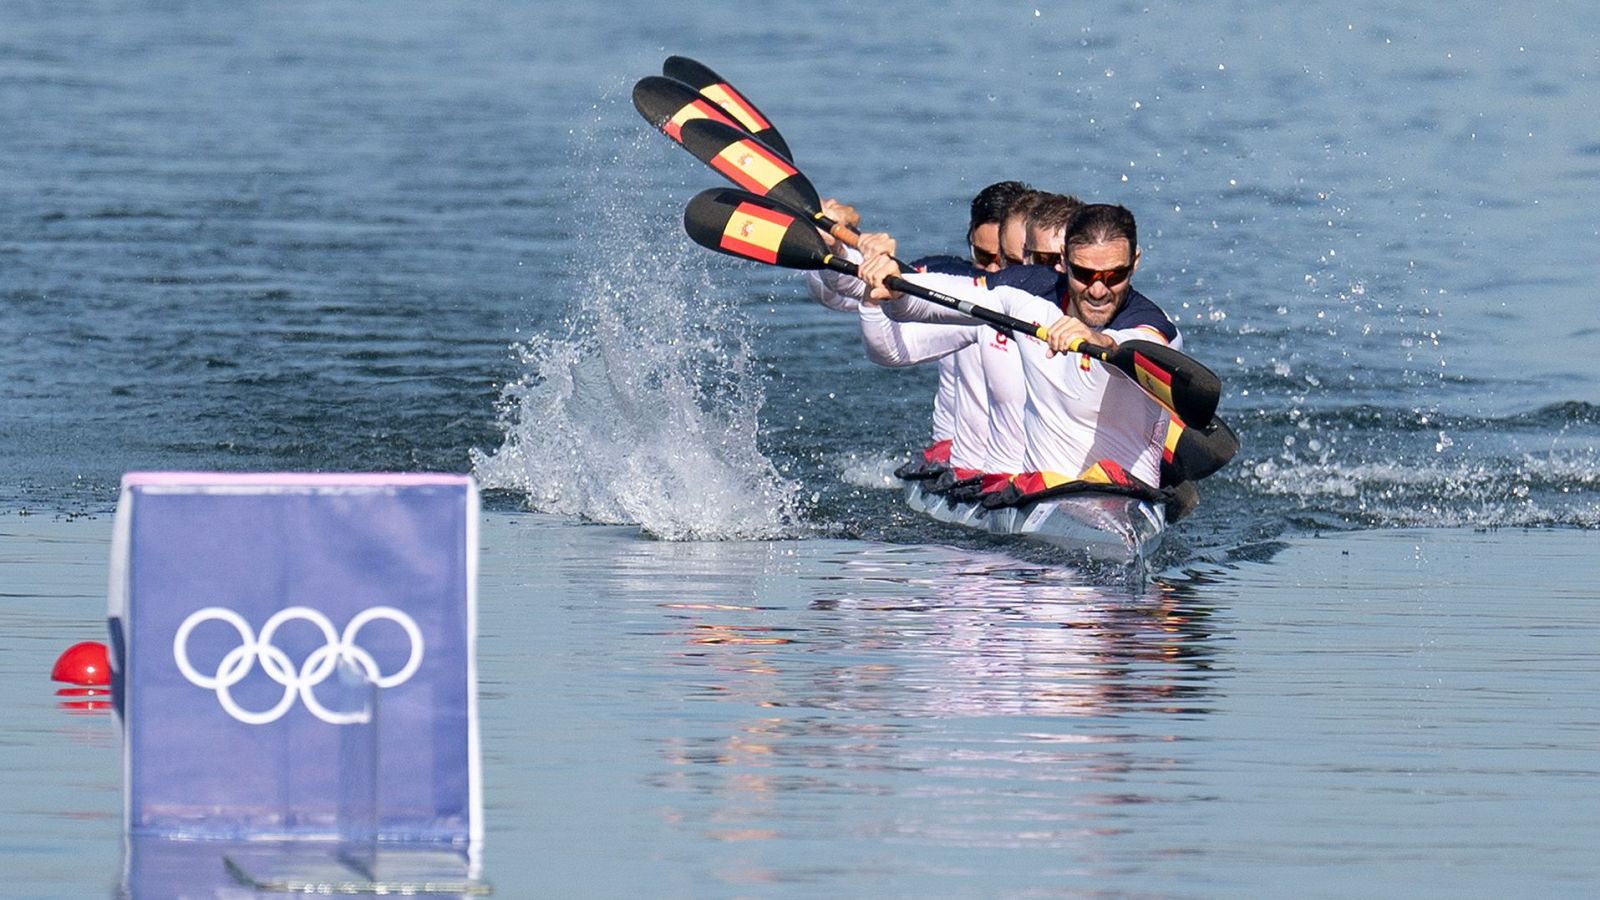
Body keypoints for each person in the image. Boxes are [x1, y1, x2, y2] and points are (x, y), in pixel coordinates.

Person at [857, 204, 1175, 490]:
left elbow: (1143, 347)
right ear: (1063, 261)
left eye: (1114, 275)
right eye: (1084, 274)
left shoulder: (1152, 324)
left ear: (1135, 262)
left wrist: (1100, 340)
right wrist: (897, 287)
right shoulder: (1028, 291)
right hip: (1038, 493)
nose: (1098, 289)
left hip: (1127, 498)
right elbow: (932, 302)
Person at [806, 181, 1034, 479]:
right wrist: (834, 244)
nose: (993, 271)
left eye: (1006, 260)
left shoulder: (1067, 294)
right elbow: (837, 292)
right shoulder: (954, 280)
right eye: (983, 256)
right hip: (967, 468)